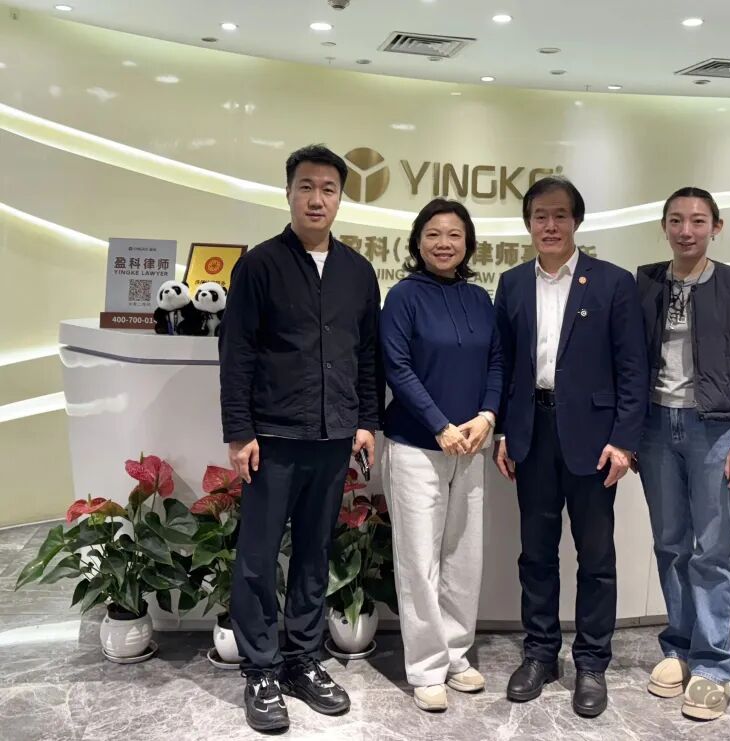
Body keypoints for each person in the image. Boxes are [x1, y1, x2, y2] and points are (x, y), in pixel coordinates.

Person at [219, 144, 381, 733]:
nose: (317, 199)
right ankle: (261, 669)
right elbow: (237, 353)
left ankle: (304, 660)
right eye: (306, 187)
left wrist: (366, 420)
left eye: (329, 189)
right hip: (273, 437)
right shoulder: (260, 265)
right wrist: (240, 431)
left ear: (341, 198)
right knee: (259, 557)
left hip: (334, 436)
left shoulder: (358, 272)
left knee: (315, 553)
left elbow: (367, 354)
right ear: (288, 193)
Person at [493, 176, 648, 718]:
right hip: (531, 433)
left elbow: (633, 368)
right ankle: (540, 654)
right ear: (528, 224)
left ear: (576, 221)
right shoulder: (512, 283)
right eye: (540, 216)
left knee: (596, 557)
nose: (550, 225)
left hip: (594, 440)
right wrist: (504, 431)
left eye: (560, 215)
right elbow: (504, 364)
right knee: (536, 554)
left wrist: (624, 442)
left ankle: (591, 662)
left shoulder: (612, 282)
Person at [634, 186, 730, 721]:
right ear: (664, 226)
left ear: (716, 227)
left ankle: (713, 665)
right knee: (670, 543)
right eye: (676, 220)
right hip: (655, 427)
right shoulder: (645, 282)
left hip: (714, 430)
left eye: (698, 220)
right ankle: (679, 647)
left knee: (713, 549)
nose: (686, 230)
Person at [379, 198, 503, 712]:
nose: (444, 243)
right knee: (418, 560)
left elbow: (497, 361)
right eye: (433, 234)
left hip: (471, 446)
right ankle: (427, 667)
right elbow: (397, 366)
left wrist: (487, 417)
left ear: (468, 244)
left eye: (454, 234)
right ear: (417, 242)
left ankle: (456, 653)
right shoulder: (403, 297)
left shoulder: (479, 299)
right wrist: (440, 426)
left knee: (463, 557)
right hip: (416, 446)